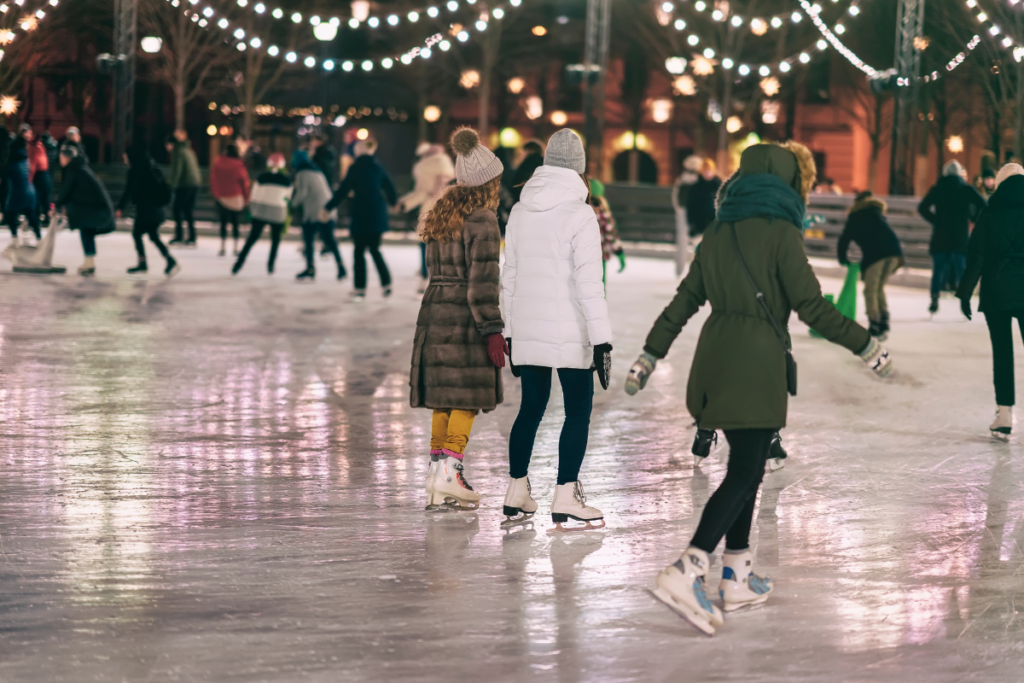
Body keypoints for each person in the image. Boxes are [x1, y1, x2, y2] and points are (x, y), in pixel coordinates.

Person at [624, 142, 893, 635]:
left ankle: (736, 575)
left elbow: (684, 302)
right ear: (788, 183)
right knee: (746, 471)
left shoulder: (717, 232)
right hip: (756, 365)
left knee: (745, 466)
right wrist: (866, 345)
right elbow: (812, 307)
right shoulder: (782, 233)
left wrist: (650, 353)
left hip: (714, 363)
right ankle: (688, 569)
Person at [502, 129, 613, 531]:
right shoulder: (581, 214)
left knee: (530, 408)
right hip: (572, 332)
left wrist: (511, 333)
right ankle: (565, 496)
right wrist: (602, 340)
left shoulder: (519, 210)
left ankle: (516, 491)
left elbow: (508, 277)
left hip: (529, 329)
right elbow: (589, 284)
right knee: (577, 412)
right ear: (580, 169)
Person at [411, 127, 506, 511]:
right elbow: (482, 282)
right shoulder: (483, 220)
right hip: (465, 318)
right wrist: (492, 329)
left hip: (435, 312)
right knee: (465, 398)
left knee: (444, 399)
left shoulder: (443, 211)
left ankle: (437, 475)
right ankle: (451, 470)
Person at [957, 163, 1024, 440]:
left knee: (1003, 352)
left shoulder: (990, 212)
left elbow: (976, 256)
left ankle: (1004, 414)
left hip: (996, 291)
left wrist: (964, 292)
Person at [323, 138, 397, 299]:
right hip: (377, 213)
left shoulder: (355, 168)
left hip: (361, 214)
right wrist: (394, 202)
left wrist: (328, 207)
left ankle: (359, 288)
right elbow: (389, 188)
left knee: (359, 252)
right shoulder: (378, 167)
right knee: (375, 250)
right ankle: (386, 284)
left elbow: (343, 190)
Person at [918, 160, 987, 314]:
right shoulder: (966, 189)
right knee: (962, 269)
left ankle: (934, 299)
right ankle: (964, 301)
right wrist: (973, 218)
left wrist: (935, 220)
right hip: (959, 235)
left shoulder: (937, 189)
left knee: (938, 270)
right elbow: (983, 204)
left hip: (940, 234)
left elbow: (922, 208)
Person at [837, 191, 905, 339]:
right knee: (878, 288)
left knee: (871, 290)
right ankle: (884, 321)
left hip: (877, 255)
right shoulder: (876, 212)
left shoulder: (856, 216)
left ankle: (875, 324)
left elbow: (844, 238)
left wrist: (843, 258)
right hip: (895, 253)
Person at [116, 145, 179, 277]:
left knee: (138, 234)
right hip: (156, 209)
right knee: (153, 236)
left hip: (146, 211)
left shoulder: (135, 171)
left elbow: (128, 191)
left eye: (126, 156)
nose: (124, 159)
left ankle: (143, 263)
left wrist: (120, 207)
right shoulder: (152, 168)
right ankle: (169, 260)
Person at [400, 142, 456, 290]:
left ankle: (427, 277)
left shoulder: (426, 168)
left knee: (427, 243)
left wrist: (405, 204)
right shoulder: (444, 163)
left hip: (432, 207)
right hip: (444, 207)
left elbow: (423, 191)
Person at [55, 145, 115, 276]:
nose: (60, 159)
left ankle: (89, 262)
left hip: (96, 209)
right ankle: (89, 262)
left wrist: (57, 206)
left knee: (86, 230)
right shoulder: (79, 168)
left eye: (61, 156)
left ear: (66, 158)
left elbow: (67, 190)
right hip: (96, 208)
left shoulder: (73, 169)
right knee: (86, 231)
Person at [292, 148, 345, 281]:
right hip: (328, 209)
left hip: (314, 212)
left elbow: (302, 192)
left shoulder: (302, 172)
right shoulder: (317, 171)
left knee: (309, 239)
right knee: (329, 240)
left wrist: (292, 204)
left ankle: (310, 268)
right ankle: (341, 267)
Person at [234, 153, 291, 275]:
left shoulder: (261, 177)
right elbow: (288, 197)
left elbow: (254, 195)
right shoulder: (286, 180)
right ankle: (271, 264)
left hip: (261, 210)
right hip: (278, 211)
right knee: (275, 240)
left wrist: (252, 209)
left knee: (252, 238)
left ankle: (239, 263)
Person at [210, 144, 250, 257]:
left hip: (221, 196)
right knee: (235, 223)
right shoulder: (239, 165)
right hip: (235, 197)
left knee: (223, 222)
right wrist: (246, 198)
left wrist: (216, 194)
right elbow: (244, 183)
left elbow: (213, 179)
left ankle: (222, 247)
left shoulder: (218, 162)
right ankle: (236, 247)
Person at [166, 130, 201, 247]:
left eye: (168, 145)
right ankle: (192, 237)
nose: (167, 147)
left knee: (177, 210)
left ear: (172, 144)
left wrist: (171, 186)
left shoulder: (177, 151)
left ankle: (179, 236)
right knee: (188, 211)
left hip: (185, 184)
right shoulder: (188, 149)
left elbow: (177, 171)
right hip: (194, 183)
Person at [588, 178, 625, 283]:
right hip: (599, 255)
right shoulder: (602, 212)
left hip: (581, 255)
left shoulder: (579, 209)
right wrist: (619, 252)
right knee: (598, 285)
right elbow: (610, 235)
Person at [5, 131, 39, 244]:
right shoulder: (25, 160)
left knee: (9, 214)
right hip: (30, 192)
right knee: (31, 215)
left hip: (18, 194)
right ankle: (38, 237)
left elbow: (6, 175)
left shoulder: (12, 163)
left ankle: (14, 237)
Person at [22, 125, 51, 229]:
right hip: (45, 175)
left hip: (39, 176)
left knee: (36, 199)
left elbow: (33, 164)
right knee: (44, 199)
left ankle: (36, 220)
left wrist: (29, 180)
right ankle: (46, 219)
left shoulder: (33, 146)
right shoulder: (39, 145)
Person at [686, 158, 722, 239]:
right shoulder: (696, 187)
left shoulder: (719, 186)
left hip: (715, 225)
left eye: (709, 170)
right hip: (699, 224)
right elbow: (691, 206)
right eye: (705, 171)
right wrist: (692, 224)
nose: (707, 173)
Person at [510, 139, 544, 205]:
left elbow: (517, 183)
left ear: (529, 150)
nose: (522, 154)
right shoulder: (544, 163)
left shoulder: (527, 164)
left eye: (524, 151)